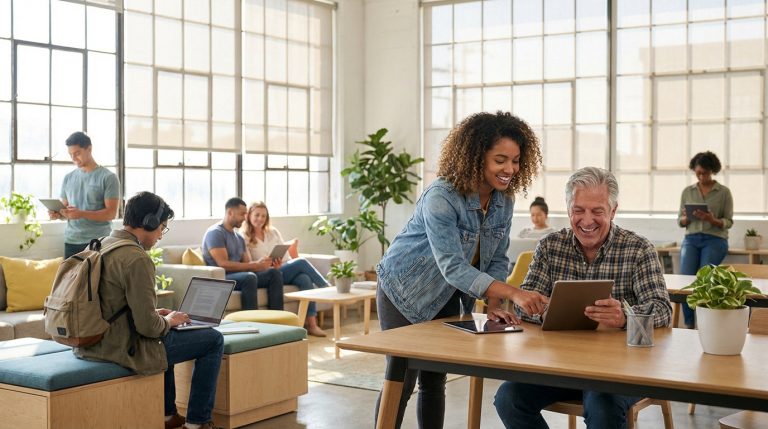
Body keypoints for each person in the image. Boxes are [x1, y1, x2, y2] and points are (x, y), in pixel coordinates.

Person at [374, 111, 550, 428]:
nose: (510, 169)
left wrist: (495, 305)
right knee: (401, 379)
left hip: (446, 295)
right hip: (403, 291)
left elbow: (497, 257)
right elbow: (453, 266)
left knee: (434, 379)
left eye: (515, 160)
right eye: (500, 160)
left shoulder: (504, 200)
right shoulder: (441, 196)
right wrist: (515, 294)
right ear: (476, 157)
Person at [494, 167, 672, 429]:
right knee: (508, 398)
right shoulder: (549, 246)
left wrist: (625, 317)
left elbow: (663, 310)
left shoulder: (638, 249)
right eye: (578, 210)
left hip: (620, 371)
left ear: (613, 210)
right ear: (568, 210)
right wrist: (542, 309)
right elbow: (524, 305)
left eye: (597, 211)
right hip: (560, 367)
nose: (586, 220)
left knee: (602, 404)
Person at [75, 191, 223, 429]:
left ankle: (167, 416)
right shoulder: (136, 258)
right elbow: (148, 328)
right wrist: (169, 321)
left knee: (168, 335)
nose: (160, 236)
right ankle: (197, 423)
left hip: (90, 343)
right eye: (161, 228)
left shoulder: (99, 244)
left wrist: (158, 315)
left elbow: (115, 305)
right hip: (120, 348)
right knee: (213, 339)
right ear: (149, 222)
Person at [240, 201, 330, 337]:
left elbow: (286, 256)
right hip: (263, 275)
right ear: (249, 215)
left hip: (279, 269)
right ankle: (326, 287)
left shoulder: (273, 232)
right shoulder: (243, 236)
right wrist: (263, 264)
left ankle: (312, 325)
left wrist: (279, 263)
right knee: (301, 262)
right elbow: (248, 263)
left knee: (304, 279)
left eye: (263, 216)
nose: (260, 219)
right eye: (257, 215)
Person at [678, 151, 733, 329]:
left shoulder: (723, 192)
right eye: (698, 173)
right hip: (691, 239)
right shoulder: (687, 191)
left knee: (704, 278)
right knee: (686, 280)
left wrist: (712, 219)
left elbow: (728, 222)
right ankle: (689, 323)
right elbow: (680, 220)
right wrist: (687, 218)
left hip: (715, 239)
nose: (702, 177)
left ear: (713, 170)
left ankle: (705, 324)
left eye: (705, 173)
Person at [202, 198, 284, 311]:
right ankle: (251, 322)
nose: (245, 218)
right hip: (222, 277)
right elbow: (223, 264)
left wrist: (263, 264)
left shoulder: (239, 237)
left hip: (241, 276)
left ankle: (278, 319)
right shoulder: (215, 233)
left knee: (273, 274)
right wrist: (255, 265)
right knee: (249, 277)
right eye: (242, 214)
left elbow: (247, 263)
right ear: (230, 212)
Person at [49, 131, 120, 258]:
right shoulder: (68, 178)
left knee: (98, 278)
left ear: (89, 149)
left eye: (77, 153)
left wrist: (81, 213)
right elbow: (65, 210)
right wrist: (58, 214)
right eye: (70, 154)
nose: (73, 158)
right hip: (72, 241)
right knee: (71, 278)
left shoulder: (108, 177)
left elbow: (111, 213)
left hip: (99, 242)